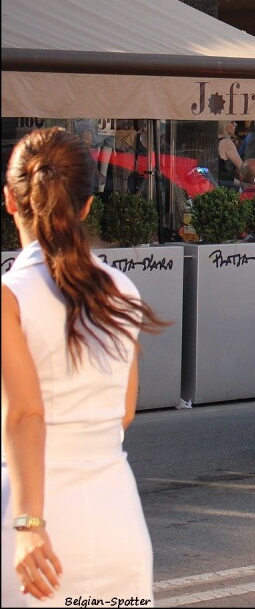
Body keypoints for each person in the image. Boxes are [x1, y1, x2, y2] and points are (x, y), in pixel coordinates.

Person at [2, 127, 167, 605]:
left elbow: (25, 413)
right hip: (117, 519)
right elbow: (124, 411)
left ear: (11, 201)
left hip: (33, 525)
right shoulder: (123, 291)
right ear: (88, 205)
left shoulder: (11, 297)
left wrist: (30, 524)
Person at [216, 121, 243, 190]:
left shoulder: (211, 139)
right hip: (224, 185)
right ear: (224, 124)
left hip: (211, 181)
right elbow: (242, 167)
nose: (236, 124)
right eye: (232, 122)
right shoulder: (226, 142)